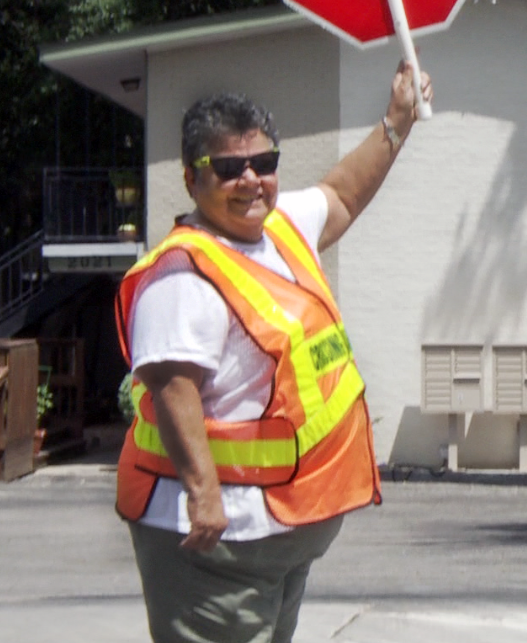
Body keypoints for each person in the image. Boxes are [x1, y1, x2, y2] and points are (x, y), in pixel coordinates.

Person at [114, 59, 432, 643]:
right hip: (216, 542)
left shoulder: (280, 229)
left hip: (279, 532)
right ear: (191, 179)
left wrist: (397, 121)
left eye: (264, 163)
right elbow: (172, 386)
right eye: (228, 168)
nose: (250, 180)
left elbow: (342, 194)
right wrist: (204, 496)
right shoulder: (180, 274)